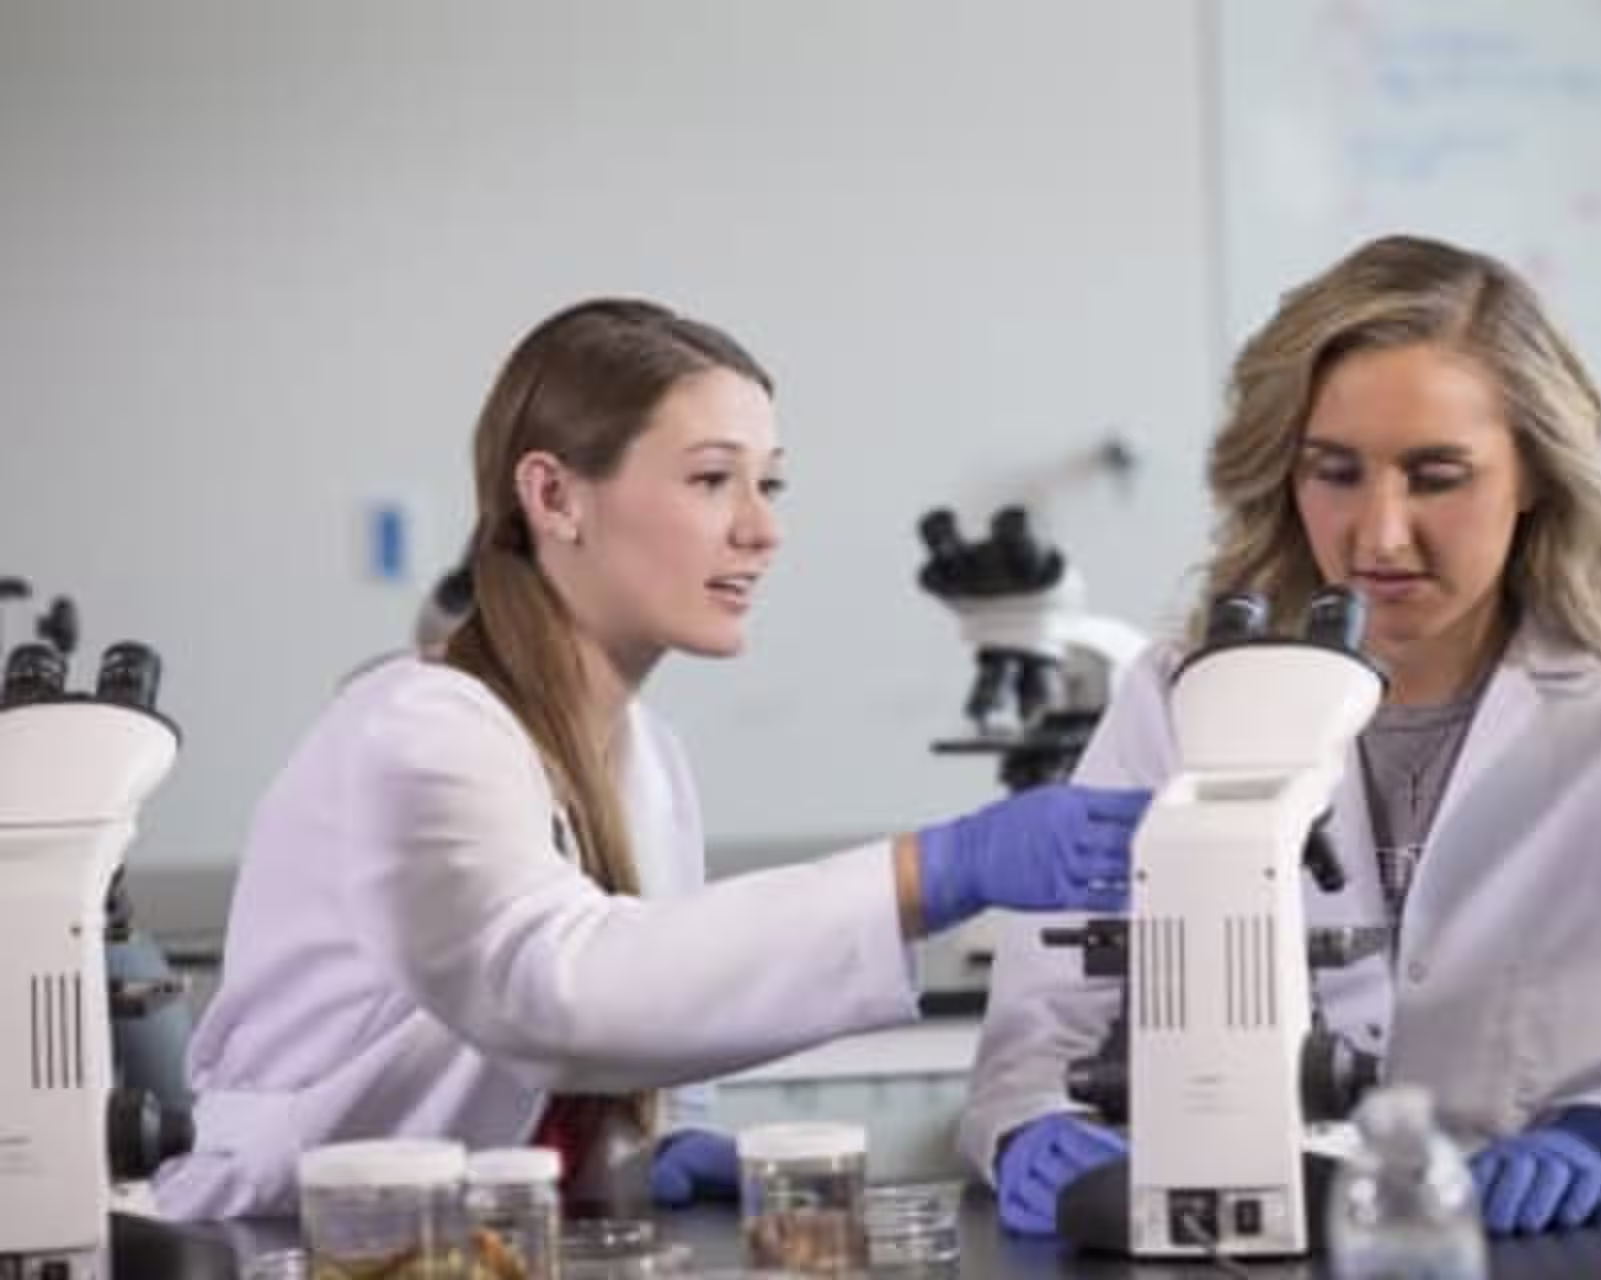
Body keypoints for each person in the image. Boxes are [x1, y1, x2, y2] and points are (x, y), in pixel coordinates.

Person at [155, 299, 1149, 1219]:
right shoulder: (417, 730)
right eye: (713, 478)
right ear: (553, 494)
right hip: (296, 1241)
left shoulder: (646, 757)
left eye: (771, 481)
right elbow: (550, 991)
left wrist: (650, 1143)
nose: (763, 527)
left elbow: (636, 1022)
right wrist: (935, 870)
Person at [958, 235, 1601, 1238]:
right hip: (1252, 1236)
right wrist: (1033, 1125)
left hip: (1543, 1241)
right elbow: (1041, 1027)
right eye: (1334, 471)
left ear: (1536, 476)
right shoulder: (1183, 688)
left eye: (1436, 475)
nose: (1379, 534)